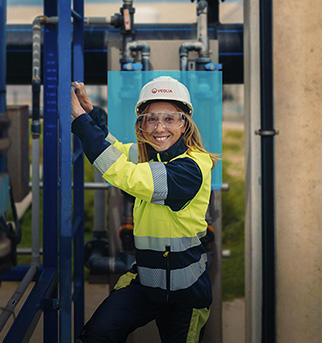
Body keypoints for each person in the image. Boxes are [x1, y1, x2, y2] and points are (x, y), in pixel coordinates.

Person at [71, 76, 219, 343]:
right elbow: (114, 152)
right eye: (151, 119)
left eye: (169, 118)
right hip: (147, 283)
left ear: (184, 123)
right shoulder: (151, 155)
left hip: (185, 295)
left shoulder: (190, 168)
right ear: (141, 124)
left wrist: (79, 122)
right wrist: (90, 114)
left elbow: (122, 173)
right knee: (96, 335)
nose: (158, 128)